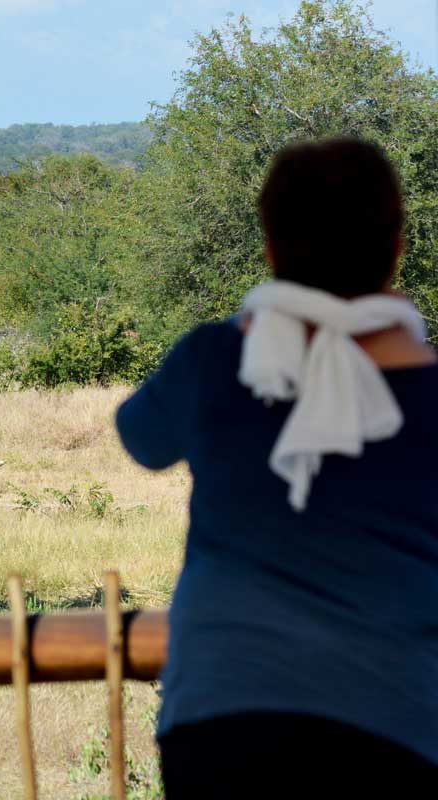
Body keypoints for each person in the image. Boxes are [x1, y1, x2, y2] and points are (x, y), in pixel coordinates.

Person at [116, 138, 438, 798]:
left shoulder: (212, 360)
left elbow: (140, 438)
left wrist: (253, 324)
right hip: (400, 719)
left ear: (270, 249)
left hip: (221, 717)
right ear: (397, 247)